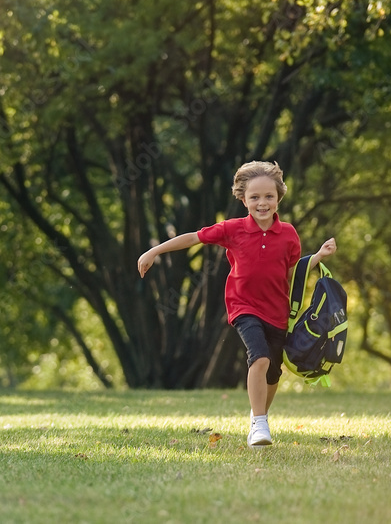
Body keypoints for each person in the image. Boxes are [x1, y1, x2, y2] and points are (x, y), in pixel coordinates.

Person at [137, 161, 337, 448]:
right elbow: (194, 237)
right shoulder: (233, 229)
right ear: (243, 200)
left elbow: (293, 275)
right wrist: (154, 251)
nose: (262, 203)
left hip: (278, 312)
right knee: (259, 356)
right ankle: (259, 424)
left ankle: (259, 418)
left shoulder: (289, 235)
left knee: (272, 372)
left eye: (269, 196)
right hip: (243, 307)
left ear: (279, 197)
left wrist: (317, 256)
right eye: (254, 197)